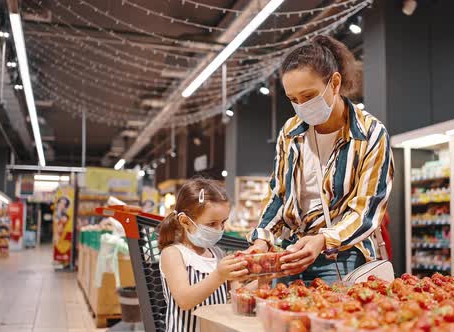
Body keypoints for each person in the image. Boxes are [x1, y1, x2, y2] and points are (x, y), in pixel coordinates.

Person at [246, 35, 394, 284]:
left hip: (343, 255)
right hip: (292, 251)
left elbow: (367, 210)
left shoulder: (370, 134)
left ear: (334, 83)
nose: (301, 106)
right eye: (293, 100)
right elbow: (279, 194)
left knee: (332, 319)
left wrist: (323, 239)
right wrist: (262, 238)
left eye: (308, 96)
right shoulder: (291, 132)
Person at [158, 178, 248, 332]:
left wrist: (263, 278)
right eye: (211, 224)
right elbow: (184, 300)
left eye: (223, 222)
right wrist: (219, 275)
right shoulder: (173, 254)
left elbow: (235, 296)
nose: (219, 229)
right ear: (185, 221)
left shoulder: (217, 253)